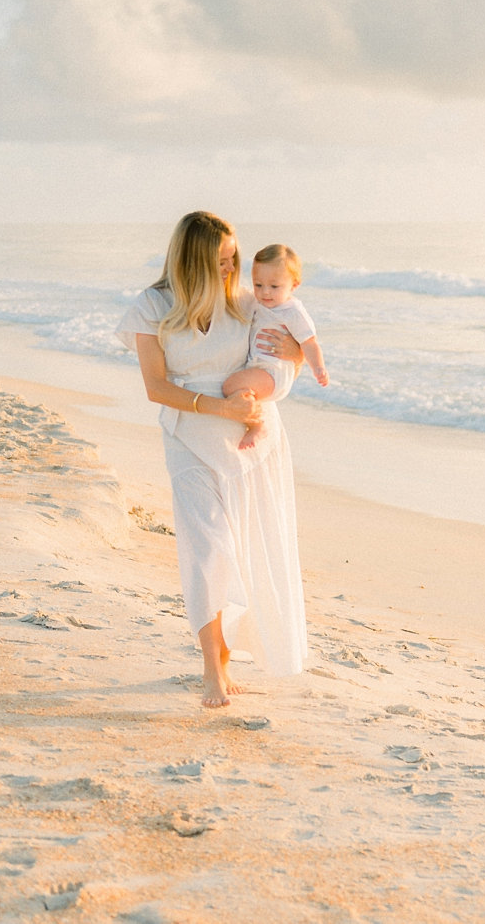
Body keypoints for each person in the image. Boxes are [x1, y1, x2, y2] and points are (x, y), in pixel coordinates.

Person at [115, 211, 310, 707]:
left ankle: (231, 652)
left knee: (246, 548)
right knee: (206, 549)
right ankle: (211, 665)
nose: (230, 270)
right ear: (191, 259)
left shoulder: (248, 303)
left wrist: (297, 352)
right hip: (188, 434)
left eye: (234, 260)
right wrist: (219, 406)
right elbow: (156, 387)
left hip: (251, 436)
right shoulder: (153, 305)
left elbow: (284, 356)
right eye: (220, 261)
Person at [223, 243, 329, 448]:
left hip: (274, 373)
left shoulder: (293, 312)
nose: (265, 293)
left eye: (274, 286)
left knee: (231, 386)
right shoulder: (257, 303)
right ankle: (253, 421)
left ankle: (257, 425)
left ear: (294, 285)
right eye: (258, 285)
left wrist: (318, 368)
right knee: (236, 391)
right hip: (259, 370)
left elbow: (310, 342)